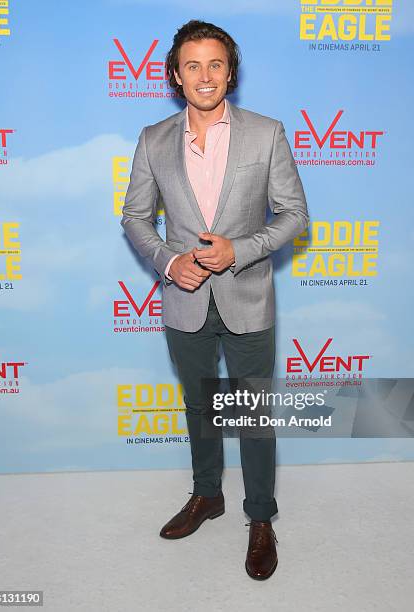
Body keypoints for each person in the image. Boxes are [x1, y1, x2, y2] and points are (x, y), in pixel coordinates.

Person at [121, 19, 309, 580]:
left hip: (248, 297)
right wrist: (168, 261)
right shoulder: (153, 138)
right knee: (199, 408)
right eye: (192, 65)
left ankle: (260, 518)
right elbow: (135, 217)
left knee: (252, 415)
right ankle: (208, 496)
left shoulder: (267, 132)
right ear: (176, 77)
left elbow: (295, 215)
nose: (205, 76)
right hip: (183, 301)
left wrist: (241, 251)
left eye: (216, 64)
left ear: (231, 72)